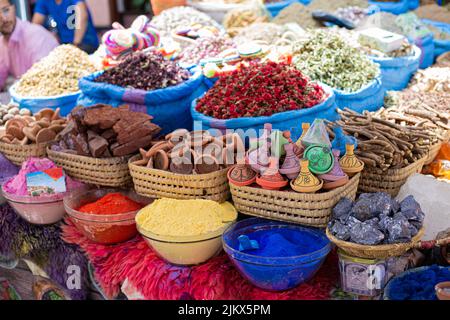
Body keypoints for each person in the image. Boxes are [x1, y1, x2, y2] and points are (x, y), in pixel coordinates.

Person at [0, 0, 59, 91]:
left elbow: (45, 83)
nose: (4, 19)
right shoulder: (2, 44)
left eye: (6, 10)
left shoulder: (35, 36)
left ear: (14, 9)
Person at [32, 0, 99, 54]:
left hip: (85, 44)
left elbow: (82, 15)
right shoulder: (44, 1)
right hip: (65, 46)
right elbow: (36, 25)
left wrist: (75, 44)